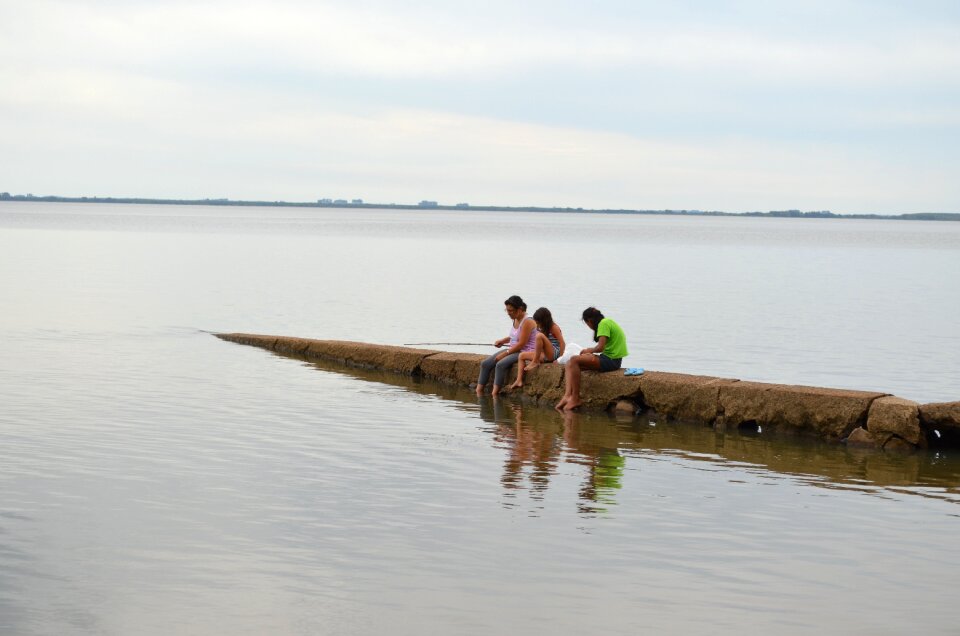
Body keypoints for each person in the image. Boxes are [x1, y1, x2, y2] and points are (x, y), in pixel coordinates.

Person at [554, 307, 628, 411]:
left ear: (589, 321)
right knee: (570, 364)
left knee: (574, 360)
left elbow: (600, 347)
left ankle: (575, 398)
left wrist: (589, 351)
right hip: (609, 358)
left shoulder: (604, 323)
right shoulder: (607, 322)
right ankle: (567, 395)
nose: (589, 326)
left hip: (611, 361)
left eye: (587, 323)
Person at [476, 295, 538, 397]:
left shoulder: (528, 321)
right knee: (485, 363)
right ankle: (478, 392)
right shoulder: (515, 318)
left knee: (500, 364)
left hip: (523, 351)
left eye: (511, 311)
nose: (509, 313)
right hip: (513, 349)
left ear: (520, 309)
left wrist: (505, 354)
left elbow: (521, 344)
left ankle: (494, 394)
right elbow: (513, 337)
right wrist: (502, 341)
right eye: (507, 310)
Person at [508, 307, 565, 390]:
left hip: (554, 353)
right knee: (521, 356)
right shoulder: (542, 328)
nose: (537, 325)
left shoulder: (554, 327)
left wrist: (560, 359)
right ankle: (519, 380)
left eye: (538, 323)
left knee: (539, 336)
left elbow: (562, 343)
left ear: (544, 320)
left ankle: (535, 361)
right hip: (545, 354)